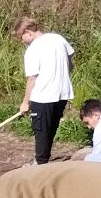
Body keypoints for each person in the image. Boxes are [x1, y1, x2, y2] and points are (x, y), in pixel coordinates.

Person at [15, 17, 74, 164]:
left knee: (41, 131)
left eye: (21, 37)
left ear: (28, 32)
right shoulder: (58, 39)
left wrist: (25, 103)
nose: (22, 42)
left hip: (43, 96)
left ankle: (40, 165)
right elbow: (70, 62)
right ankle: (43, 160)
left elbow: (32, 78)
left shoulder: (33, 50)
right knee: (51, 129)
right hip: (62, 93)